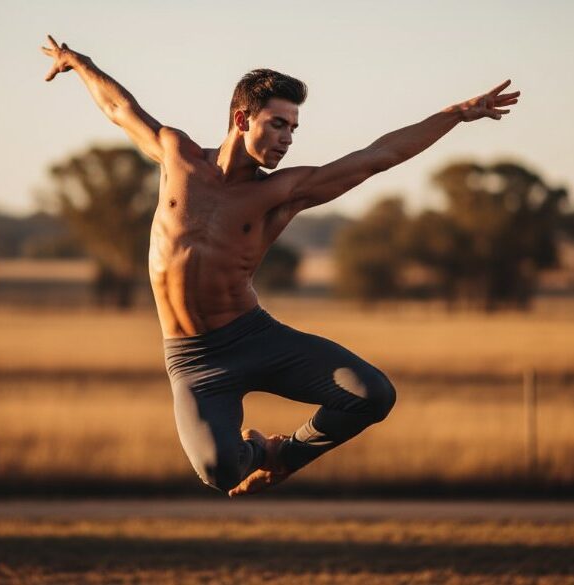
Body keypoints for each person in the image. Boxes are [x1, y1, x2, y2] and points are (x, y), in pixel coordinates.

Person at [41, 35, 520, 496]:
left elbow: (378, 157)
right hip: (193, 360)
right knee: (219, 471)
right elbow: (119, 108)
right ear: (241, 118)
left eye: (293, 128)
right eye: (278, 124)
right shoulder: (177, 155)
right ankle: (257, 451)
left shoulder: (283, 192)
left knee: (373, 393)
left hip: (255, 338)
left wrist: (456, 114)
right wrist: (79, 63)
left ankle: (285, 458)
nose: (287, 138)